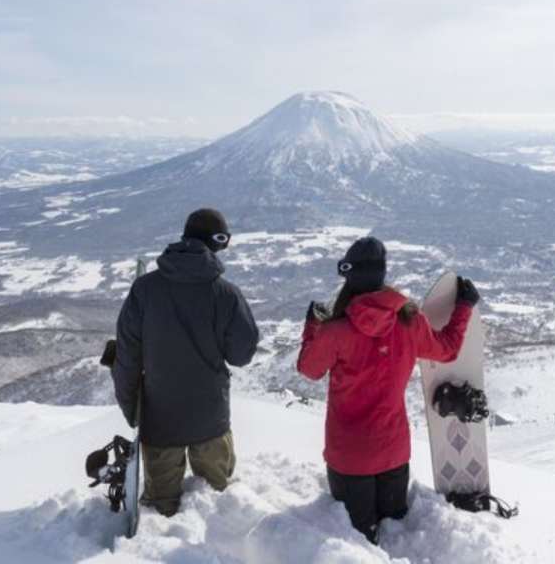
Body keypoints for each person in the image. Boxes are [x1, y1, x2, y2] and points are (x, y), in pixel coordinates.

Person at [296, 236, 479, 543]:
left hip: (349, 457)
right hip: (393, 452)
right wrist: (463, 308)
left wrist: (312, 326)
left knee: (357, 544)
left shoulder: (335, 331)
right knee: (396, 536)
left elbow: (308, 369)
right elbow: (447, 350)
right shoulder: (410, 322)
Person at [112, 207, 259, 516]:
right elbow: (241, 355)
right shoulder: (226, 294)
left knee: (160, 511)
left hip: (160, 419)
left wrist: (132, 409)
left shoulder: (144, 289)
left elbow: (126, 358)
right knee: (218, 507)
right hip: (211, 416)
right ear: (216, 243)